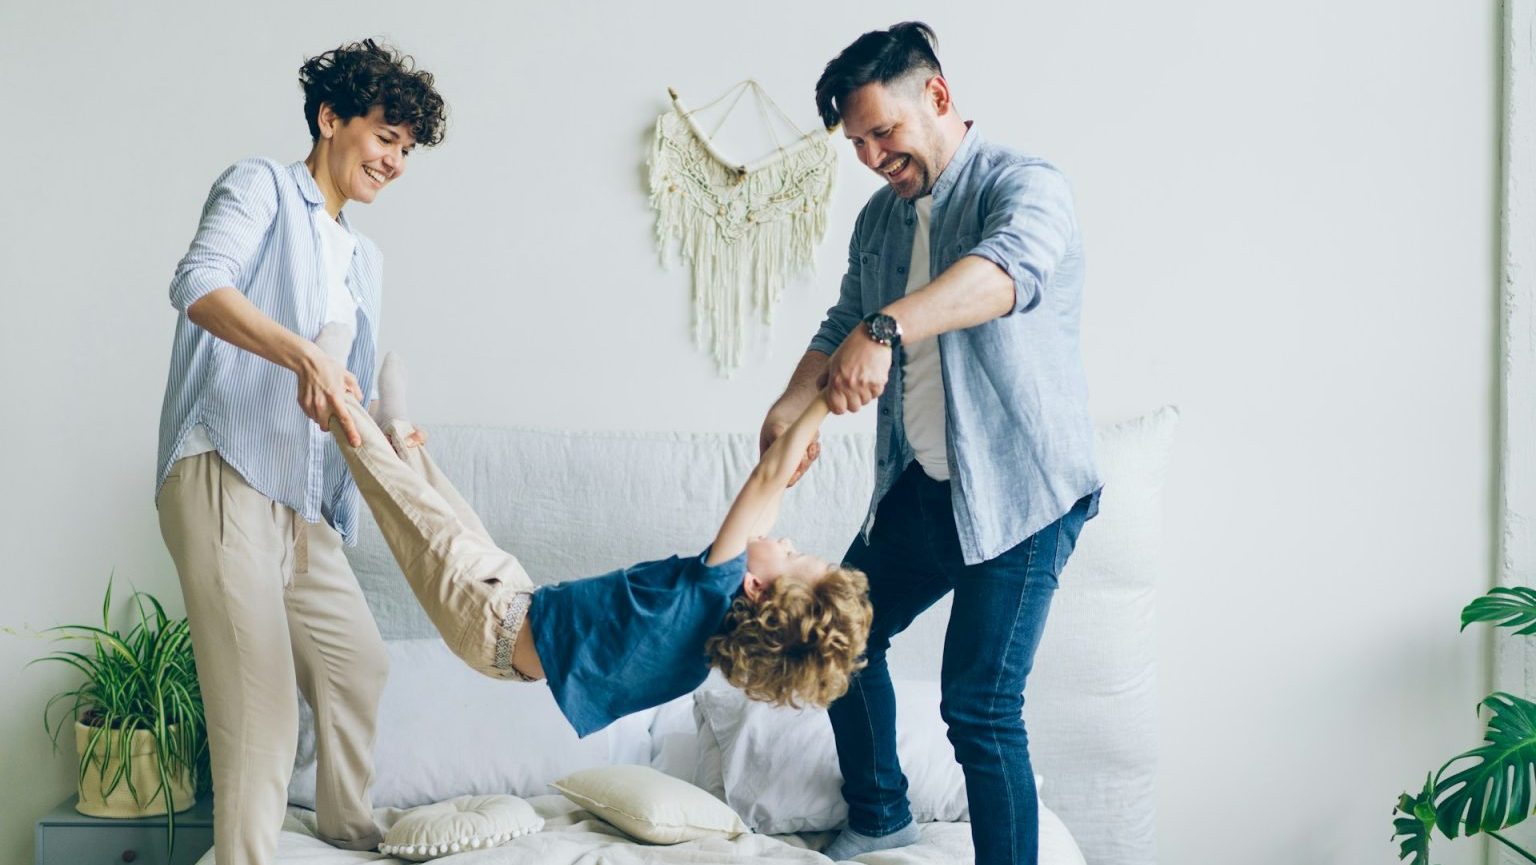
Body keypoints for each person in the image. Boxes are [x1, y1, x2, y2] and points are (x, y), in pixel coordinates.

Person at [757, 22, 1102, 865]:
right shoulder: (879, 220)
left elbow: (1006, 274)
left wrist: (887, 329)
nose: (874, 155)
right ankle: (880, 815)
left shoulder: (1024, 187)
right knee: (834, 635)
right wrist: (790, 405)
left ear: (938, 98)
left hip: (1022, 494)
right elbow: (843, 319)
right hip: (923, 488)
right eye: (859, 142)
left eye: (885, 132)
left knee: (979, 705)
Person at [153, 40, 447, 865]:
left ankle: (349, 839)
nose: (394, 160)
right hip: (222, 470)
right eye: (386, 136)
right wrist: (303, 356)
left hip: (298, 498)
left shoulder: (364, 258)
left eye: (406, 149)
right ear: (329, 118)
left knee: (359, 665)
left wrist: (388, 433)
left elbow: (338, 388)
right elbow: (198, 283)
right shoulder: (262, 187)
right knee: (262, 713)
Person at [318, 343, 873, 738]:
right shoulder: (711, 634)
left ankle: (329, 389)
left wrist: (825, 397)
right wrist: (796, 447)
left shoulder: (710, 586)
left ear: (753, 586)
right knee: (441, 510)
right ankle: (394, 426)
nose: (787, 538)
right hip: (514, 610)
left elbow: (765, 481)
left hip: (493, 617)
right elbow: (770, 495)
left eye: (793, 554)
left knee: (410, 509)